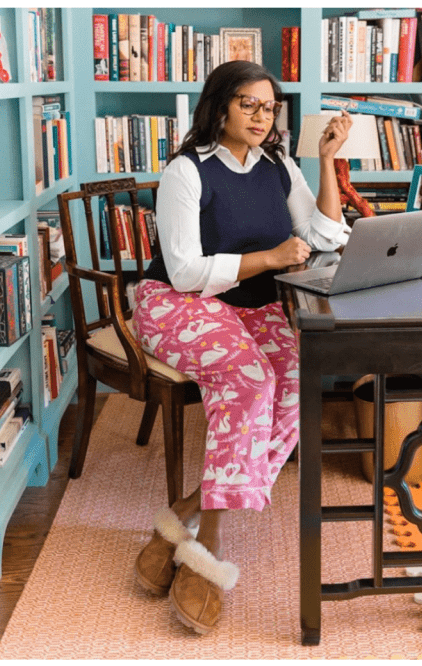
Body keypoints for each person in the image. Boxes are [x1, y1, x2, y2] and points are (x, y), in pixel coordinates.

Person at [130, 60, 354, 635]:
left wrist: (325, 160)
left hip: (251, 306)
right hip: (178, 303)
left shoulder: (278, 165)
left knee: (297, 381)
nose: (261, 116)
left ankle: (183, 515)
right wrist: (273, 259)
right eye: (248, 104)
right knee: (251, 381)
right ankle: (209, 546)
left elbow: (327, 234)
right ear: (220, 106)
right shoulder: (186, 170)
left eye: (269, 106)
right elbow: (182, 271)